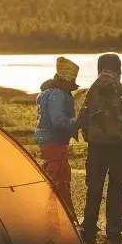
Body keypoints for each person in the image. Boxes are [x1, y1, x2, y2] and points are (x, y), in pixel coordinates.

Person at [77, 52, 122, 244]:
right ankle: (114, 234)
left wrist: (89, 137)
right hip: (119, 149)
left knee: (93, 189)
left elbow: (84, 119)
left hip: (96, 148)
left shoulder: (92, 91)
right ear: (118, 68)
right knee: (116, 190)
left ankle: (89, 232)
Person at [35, 56, 81, 216]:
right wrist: (78, 122)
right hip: (54, 142)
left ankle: (62, 216)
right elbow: (58, 120)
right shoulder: (59, 94)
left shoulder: (46, 92)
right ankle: (56, 217)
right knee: (58, 181)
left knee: (57, 179)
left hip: (48, 141)